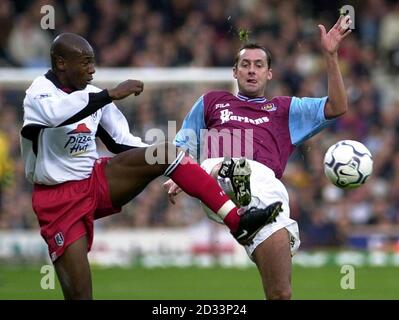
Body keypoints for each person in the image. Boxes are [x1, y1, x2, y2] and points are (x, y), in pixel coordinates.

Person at [20, 33, 282, 300]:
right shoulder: (38, 93)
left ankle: (238, 222)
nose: (92, 69)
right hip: (58, 199)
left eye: (93, 62)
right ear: (61, 63)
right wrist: (109, 94)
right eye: (85, 62)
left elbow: (123, 142)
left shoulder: (93, 96)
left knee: (164, 153)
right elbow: (56, 115)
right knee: (80, 296)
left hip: (96, 181)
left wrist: (173, 163)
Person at [164, 15, 352, 300]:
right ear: (235, 72)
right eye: (245, 65)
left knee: (281, 293)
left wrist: (330, 54)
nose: (252, 71)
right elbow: (183, 146)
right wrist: (181, 176)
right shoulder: (212, 101)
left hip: (267, 193)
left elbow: (337, 106)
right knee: (221, 165)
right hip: (214, 182)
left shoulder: (285, 110)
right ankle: (232, 176)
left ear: (269, 73)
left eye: (259, 65)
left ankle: (245, 204)